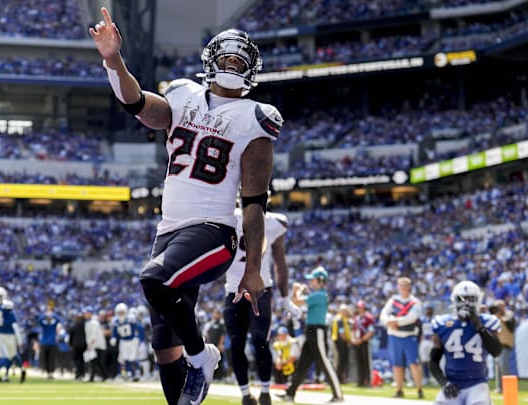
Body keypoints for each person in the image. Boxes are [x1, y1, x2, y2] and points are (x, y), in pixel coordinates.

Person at [90, 6, 280, 405]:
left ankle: (203, 355)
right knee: (163, 344)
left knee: (153, 281)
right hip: (169, 230)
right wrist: (113, 60)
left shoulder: (255, 118)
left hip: (213, 229)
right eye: (226, 57)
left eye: (238, 60)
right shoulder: (183, 95)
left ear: (250, 71)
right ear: (211, 61)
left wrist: (254, 270)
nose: (231, 64)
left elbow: (254, 202)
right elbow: (137, 104)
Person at [223, 208, 289, 405]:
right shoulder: (227, 216)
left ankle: (266, 390)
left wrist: (285, 297)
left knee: (261, 340)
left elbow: (280, 263)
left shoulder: (272, 222)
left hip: (261, 290)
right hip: (233, 290)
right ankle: (245, 394)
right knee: (236, 345)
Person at [429, 281, 502, 405]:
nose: (466, 303)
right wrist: (444, 383)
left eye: (470, 299)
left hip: (477, 384)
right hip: (453, 383)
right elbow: (433, 361)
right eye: (462, 299)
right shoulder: (442, 324)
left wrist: (479, 326)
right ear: (454, 300)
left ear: (478, 300)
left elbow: (496, 352)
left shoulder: (487, 322)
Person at [280, 267, 344, 403]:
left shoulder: (320, 295)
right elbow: (297, 302)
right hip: (311, 331)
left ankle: (338, 395)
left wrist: (296, 290)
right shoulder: (317, 295)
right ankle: (290, 393)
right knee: (302, 365)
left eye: (313, 279)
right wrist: (297, 292)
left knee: (325, 363)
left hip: (317, 331)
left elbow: (296, 301)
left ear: (320, 280)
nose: (311, 281)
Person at [379, 276, 424, 398]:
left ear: (410, 286)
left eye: (406, 285)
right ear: (398, 287)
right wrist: (388, 322)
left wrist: (394, 322)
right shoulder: (393, 300)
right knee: (396, 364)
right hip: (394, 336)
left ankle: (419, 389)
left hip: (409, 336)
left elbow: (412, 318)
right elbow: (383, 314)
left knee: (414, 364)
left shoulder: (415, 302)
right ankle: (399, 390)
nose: (403, 287)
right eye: (401, 285)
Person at [0, 286, 27, 384]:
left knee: (12, 355)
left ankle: (21, 370)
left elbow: (14, 323)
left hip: (9, 334)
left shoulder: (7, 307)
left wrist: (19, 339)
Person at [489, 299, 515, 393]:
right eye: (497, 307)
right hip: (497, 344)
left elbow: (509, 323)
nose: (498, 308)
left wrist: (499, 316)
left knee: (503, 365)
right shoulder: (494, 317)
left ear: (504, 306)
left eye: (500, 306)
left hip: (505, 344)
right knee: (497, 366)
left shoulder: (509, 314)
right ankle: (500, 388)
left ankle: (508, 388)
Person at [351, 300, 375, 388]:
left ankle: (368, 381)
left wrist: (362, 339)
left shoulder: (369, 317)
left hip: (365, 342)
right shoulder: (356, 318)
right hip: (357, 342)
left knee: (366, 362)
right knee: (359, 362)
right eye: (358, 307)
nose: (359, 309)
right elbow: (353, 330)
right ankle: (360, 380)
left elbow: (371, 331)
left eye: (360, 307)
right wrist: (354, 339)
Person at [331, 304, 352, 385]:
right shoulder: (339, 319)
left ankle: (340, 377)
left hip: (340, 341)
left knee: (342, 360)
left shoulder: (343, 319)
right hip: (339, 341)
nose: (346, 312)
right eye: (345, 311)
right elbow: (342, 332)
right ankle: (338, 378)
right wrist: (348, 341)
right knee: (340, 360)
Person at [85, 308, 108, 382]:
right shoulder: (88, 322)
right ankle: (94, 377)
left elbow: (93, 335)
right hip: (94, 345)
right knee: (94, 362)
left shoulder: (94, 323)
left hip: (98, 345)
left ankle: (104, 376)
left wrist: (90, 345)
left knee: (99, 362)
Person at [38, 308, 61, 379]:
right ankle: (48, 372)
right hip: (45, 344)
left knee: (52, 359)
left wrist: (52, 314)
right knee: (46, 359)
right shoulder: (44, 325)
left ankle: (51, 372)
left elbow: (58, 320)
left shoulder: (53, 325)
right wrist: (45, 314)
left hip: (52, 344)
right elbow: (39, 320)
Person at [419, 306, 435, 386]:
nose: (428, 311)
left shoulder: (435, 319)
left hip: (431, 341)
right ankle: (426, 377)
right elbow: (420, 330)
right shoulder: (423, 319)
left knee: (432, 360)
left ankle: (434, 377)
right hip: (424, 340)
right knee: (424, 360)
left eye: (429, 309)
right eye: (427, 309)